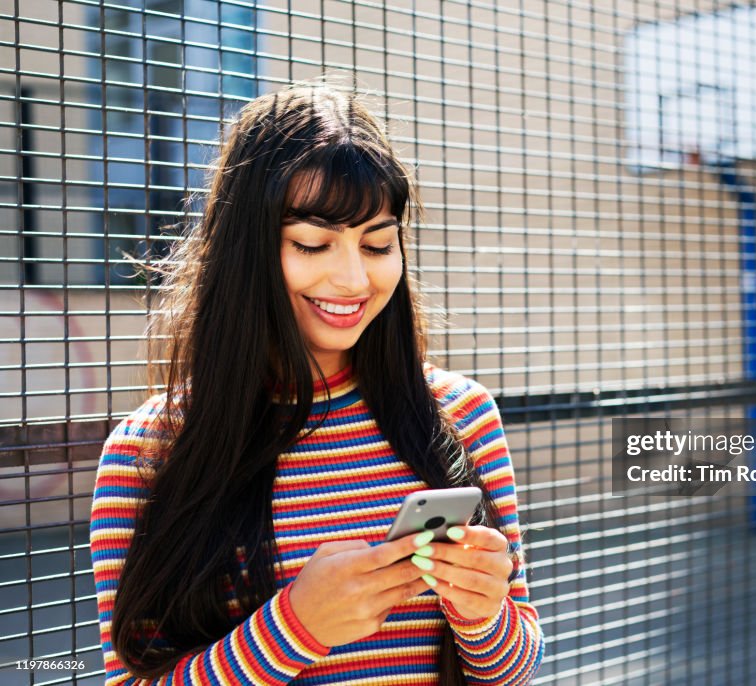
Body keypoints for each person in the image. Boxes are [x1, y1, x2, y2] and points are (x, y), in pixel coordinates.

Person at [88, 79, 544, 685]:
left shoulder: (461, 414)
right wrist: (294, 630)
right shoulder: (148, 450)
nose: (354, 278)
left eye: (378, 244)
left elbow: (513, 670)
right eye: (312, 243)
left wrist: (484, 617)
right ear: (244, 251)